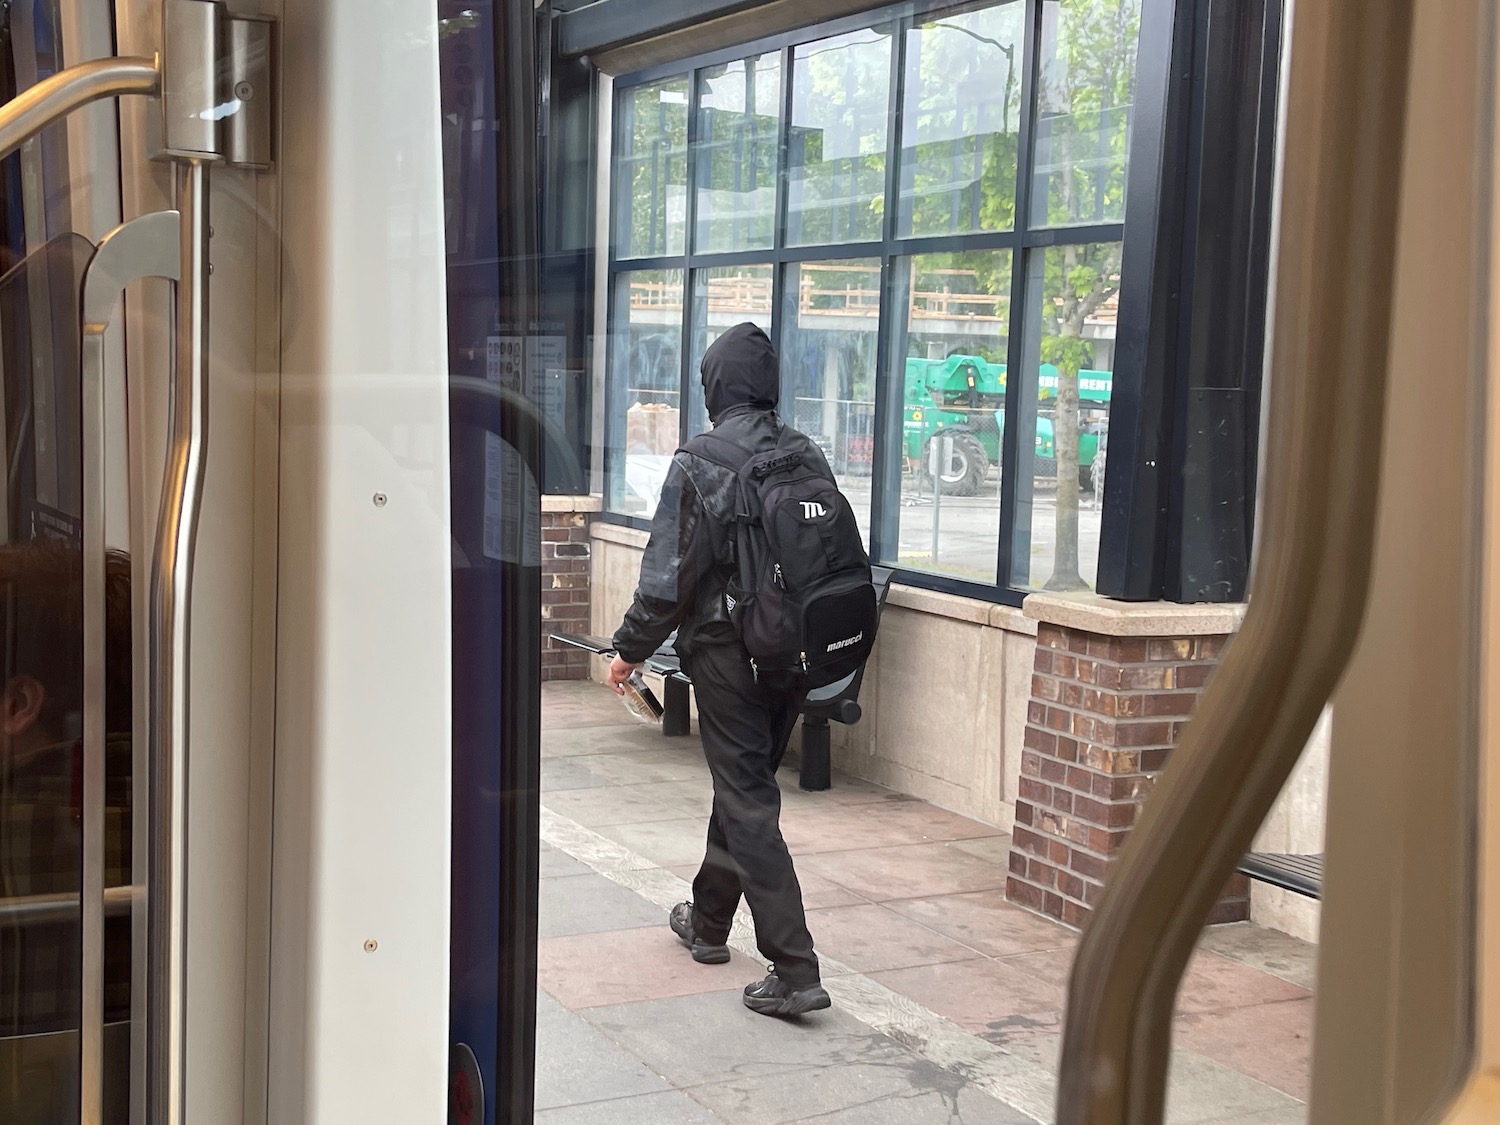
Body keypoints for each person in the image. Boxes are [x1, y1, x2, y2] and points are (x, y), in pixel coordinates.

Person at [607, 322, 830, 1018]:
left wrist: (629, 647)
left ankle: (795, 969)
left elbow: (670, 575)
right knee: (742, 786)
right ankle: (707, 922)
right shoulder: (805, 452)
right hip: (792, 653)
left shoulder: (702, 458)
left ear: (715, 384)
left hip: (730, 654)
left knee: (747, 798)